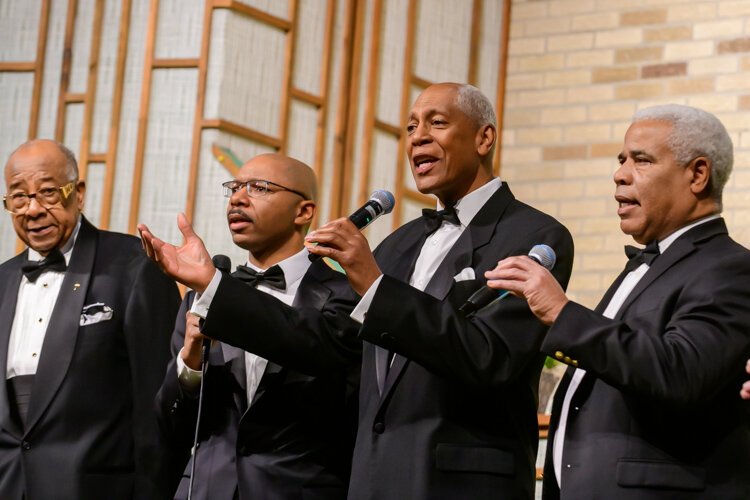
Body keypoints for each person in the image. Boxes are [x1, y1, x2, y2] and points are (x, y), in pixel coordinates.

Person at [141, 83, 574, 499]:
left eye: (436, 123)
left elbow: (488, 356)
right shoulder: (398, 245)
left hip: (462, 482)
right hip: (373, 480)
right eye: (409, 127)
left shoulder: (536, 235)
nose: (417, 137)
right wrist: (214, 287)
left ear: (484, 137)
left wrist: (374, 283)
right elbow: (319, 343)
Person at [486, 104, 750, 499]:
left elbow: (681, 372)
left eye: (641, 160)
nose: (620, 174)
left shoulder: (731, 268)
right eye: (621, 160)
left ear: (697, 175)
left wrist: (561, 312)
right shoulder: (650, 265)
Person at [150, 153, 361, 500]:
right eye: (234, 188)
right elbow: (169, 426)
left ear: (303, 212)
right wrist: (189, 364)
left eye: (259, 188)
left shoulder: (347, 298)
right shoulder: (198, 299)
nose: (238, 198)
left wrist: (220, 294)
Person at [0, 139, 180, 499]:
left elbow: (157, 403)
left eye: (48, 193)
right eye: (18, 197)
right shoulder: (1, 280)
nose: (32, 209)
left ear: (78, 193)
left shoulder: (135, 265)